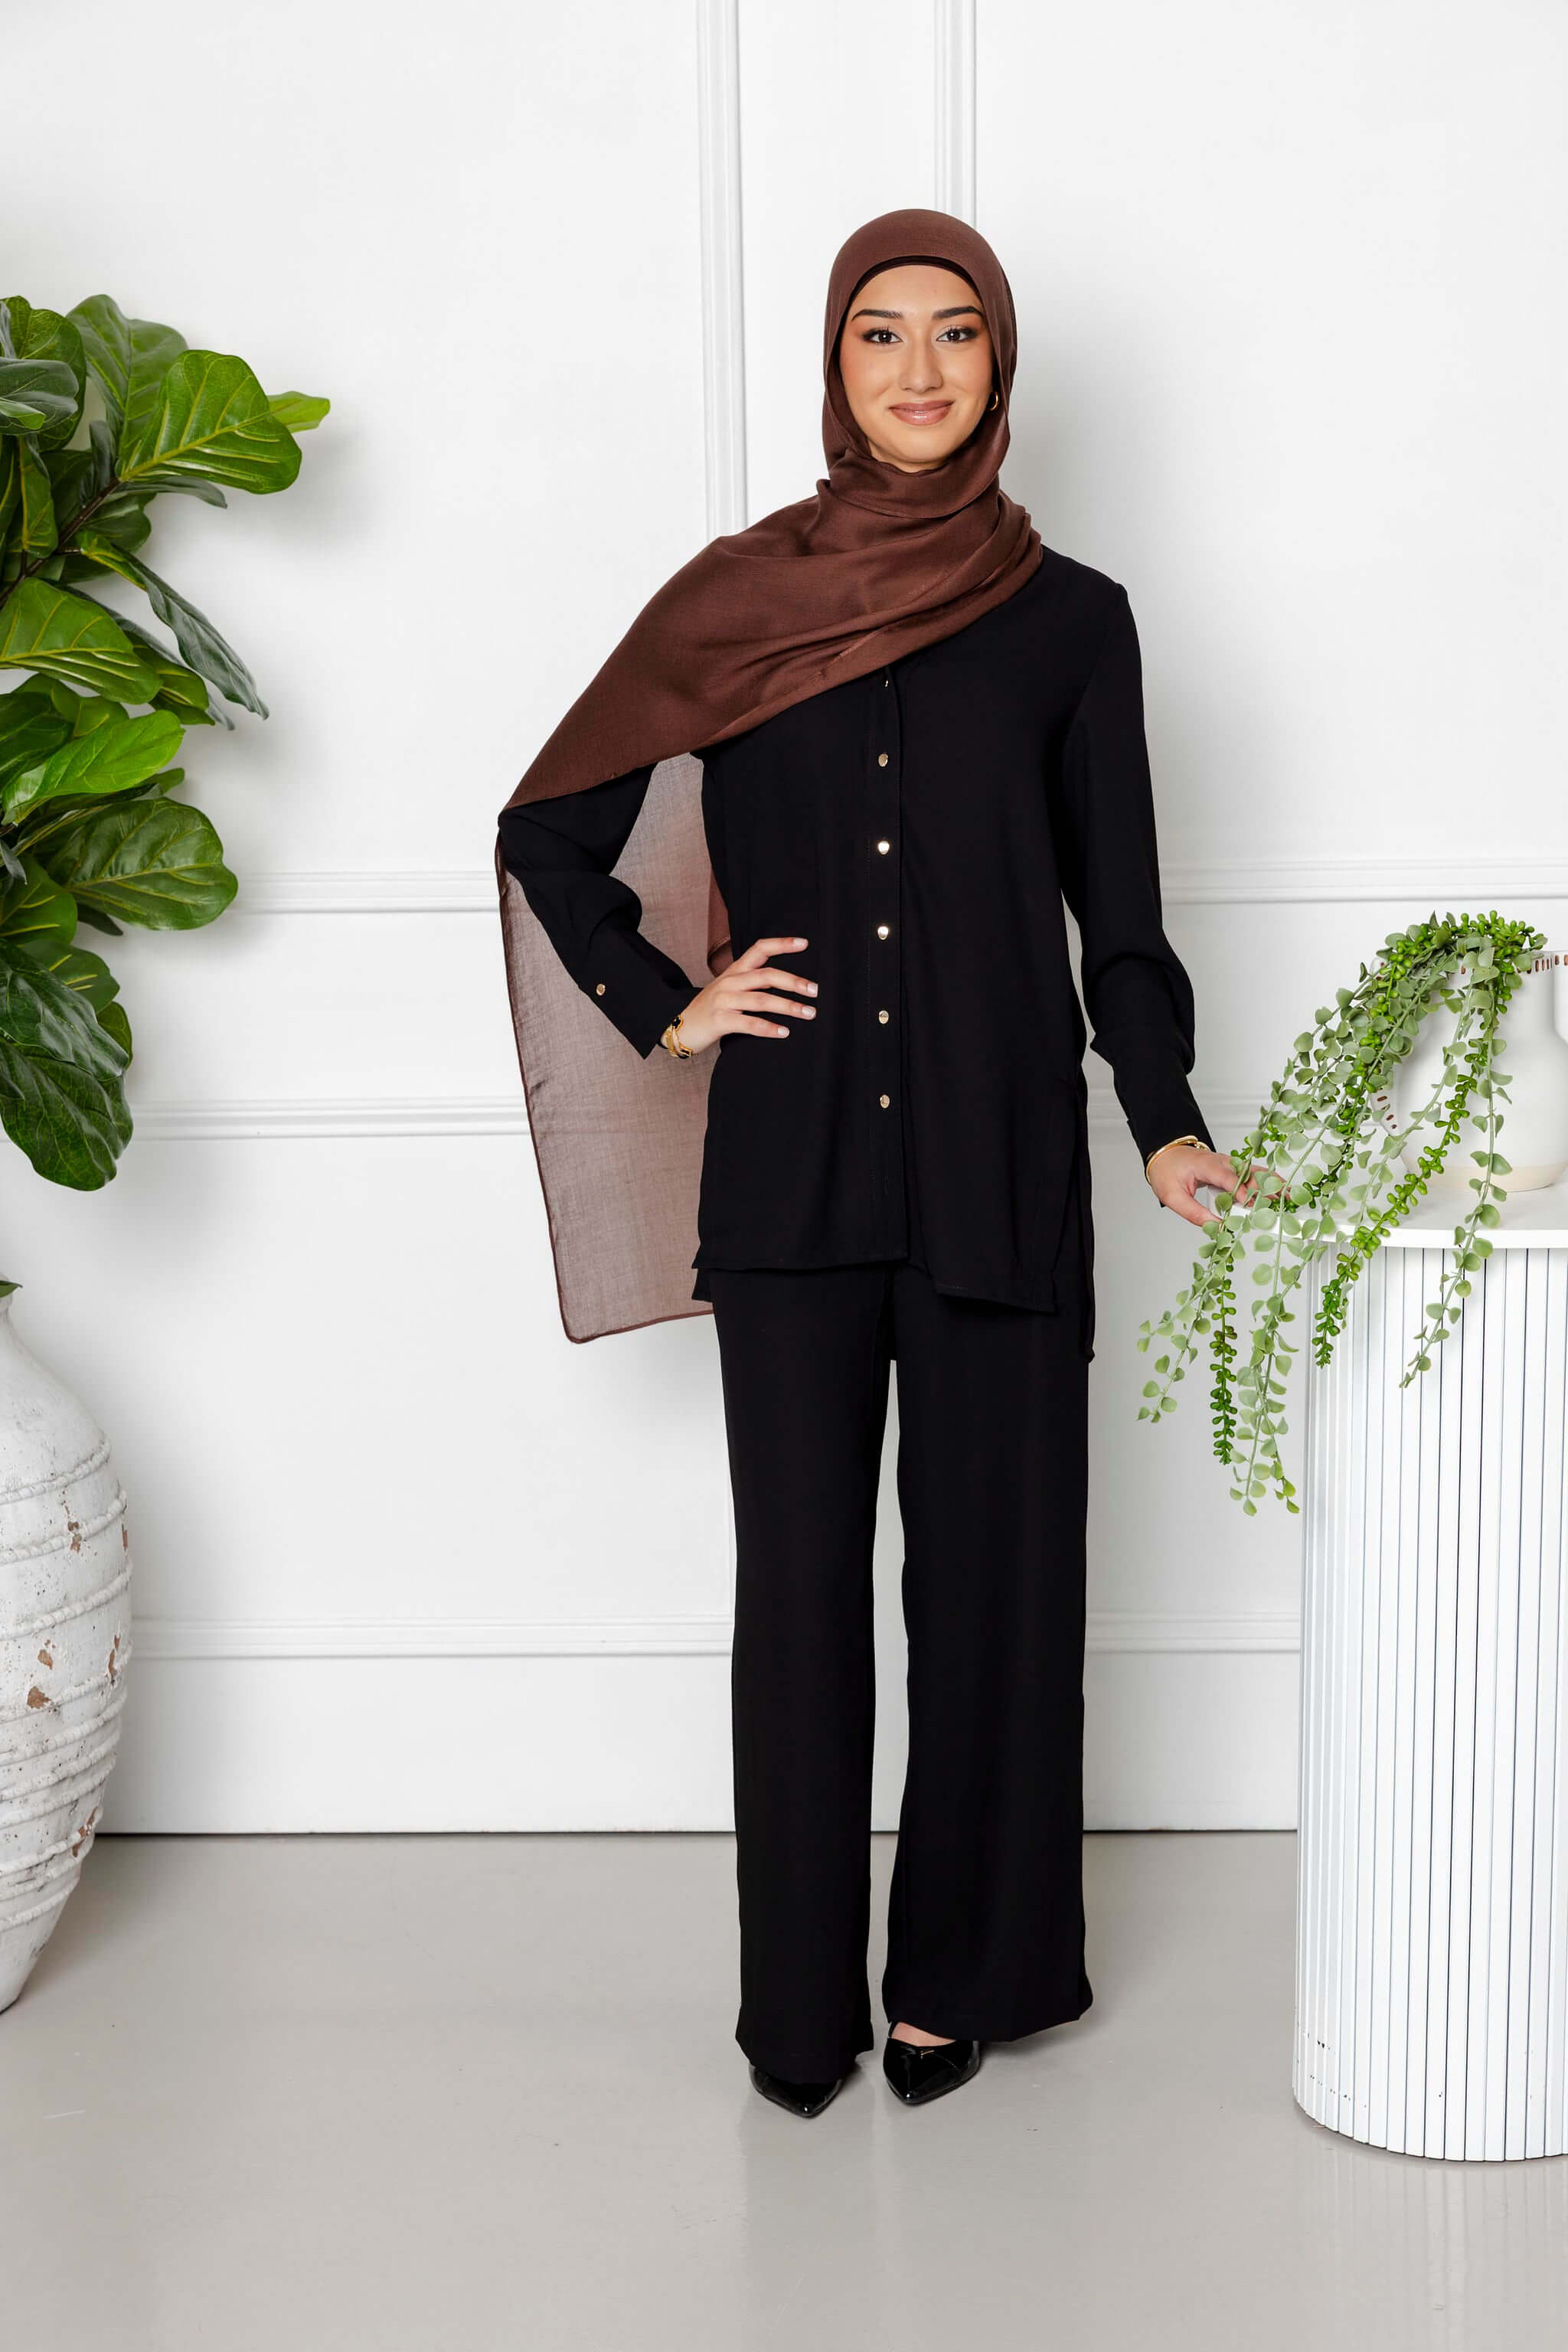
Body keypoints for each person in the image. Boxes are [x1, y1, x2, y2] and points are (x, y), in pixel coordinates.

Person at [494, 208, 1253, 2119]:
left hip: (1003, 1173)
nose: (919, 373)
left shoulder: (1075, 621)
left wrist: (1161, 1118)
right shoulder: (731, 603)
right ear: (831, 368)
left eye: (958, 336)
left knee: (998, 1595)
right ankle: (796, 2012)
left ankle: (957, 1982)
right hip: (796, 1178)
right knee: (803, 1607)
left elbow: (1123, 917)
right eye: (879, 337)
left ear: (1001, 369)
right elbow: (550, 828)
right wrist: (665, 1001)